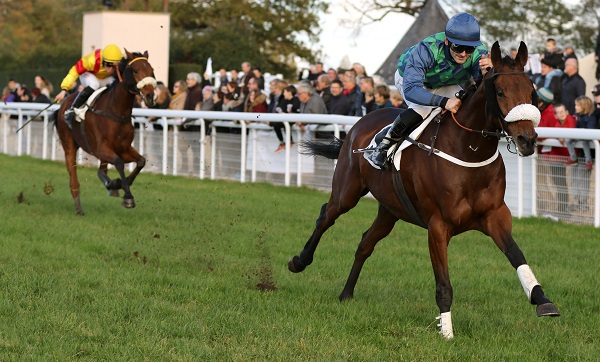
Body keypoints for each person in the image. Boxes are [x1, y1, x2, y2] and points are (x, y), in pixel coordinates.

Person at [368, 12, 491, 169]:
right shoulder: (427, 49)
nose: (463, 53)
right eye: (458, 47)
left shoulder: (479, 53)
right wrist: (444, 102)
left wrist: (486, 73)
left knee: (464, 105)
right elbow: (412, 89)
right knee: (423, 109)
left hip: (445, 81)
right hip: (410, 79)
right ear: (447, 41)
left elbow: (479, 88)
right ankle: (383, 145)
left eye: (469, 49)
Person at [55, 44, 124, 128]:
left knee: (117, 84)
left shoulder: (119, 60)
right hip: (88, 74)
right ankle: (72, 109)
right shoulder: (92, 60)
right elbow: (74, 71)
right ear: (103, 61)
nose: (111, 69)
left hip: (104, 78)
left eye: (115, 67)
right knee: (95, 84)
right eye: (109, 65)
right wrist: (64, 90)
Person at [564, 96, 596, 171]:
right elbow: (576, 128)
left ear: (585, 106)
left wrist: (582, 131)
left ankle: (588, 161)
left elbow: (590, 129)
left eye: (578, 105)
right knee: (568, 139)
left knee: (584, 141)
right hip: (581, 135)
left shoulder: (590, 117)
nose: (575, 107)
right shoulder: (579, 116)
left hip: (588, 138)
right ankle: (573, 158)